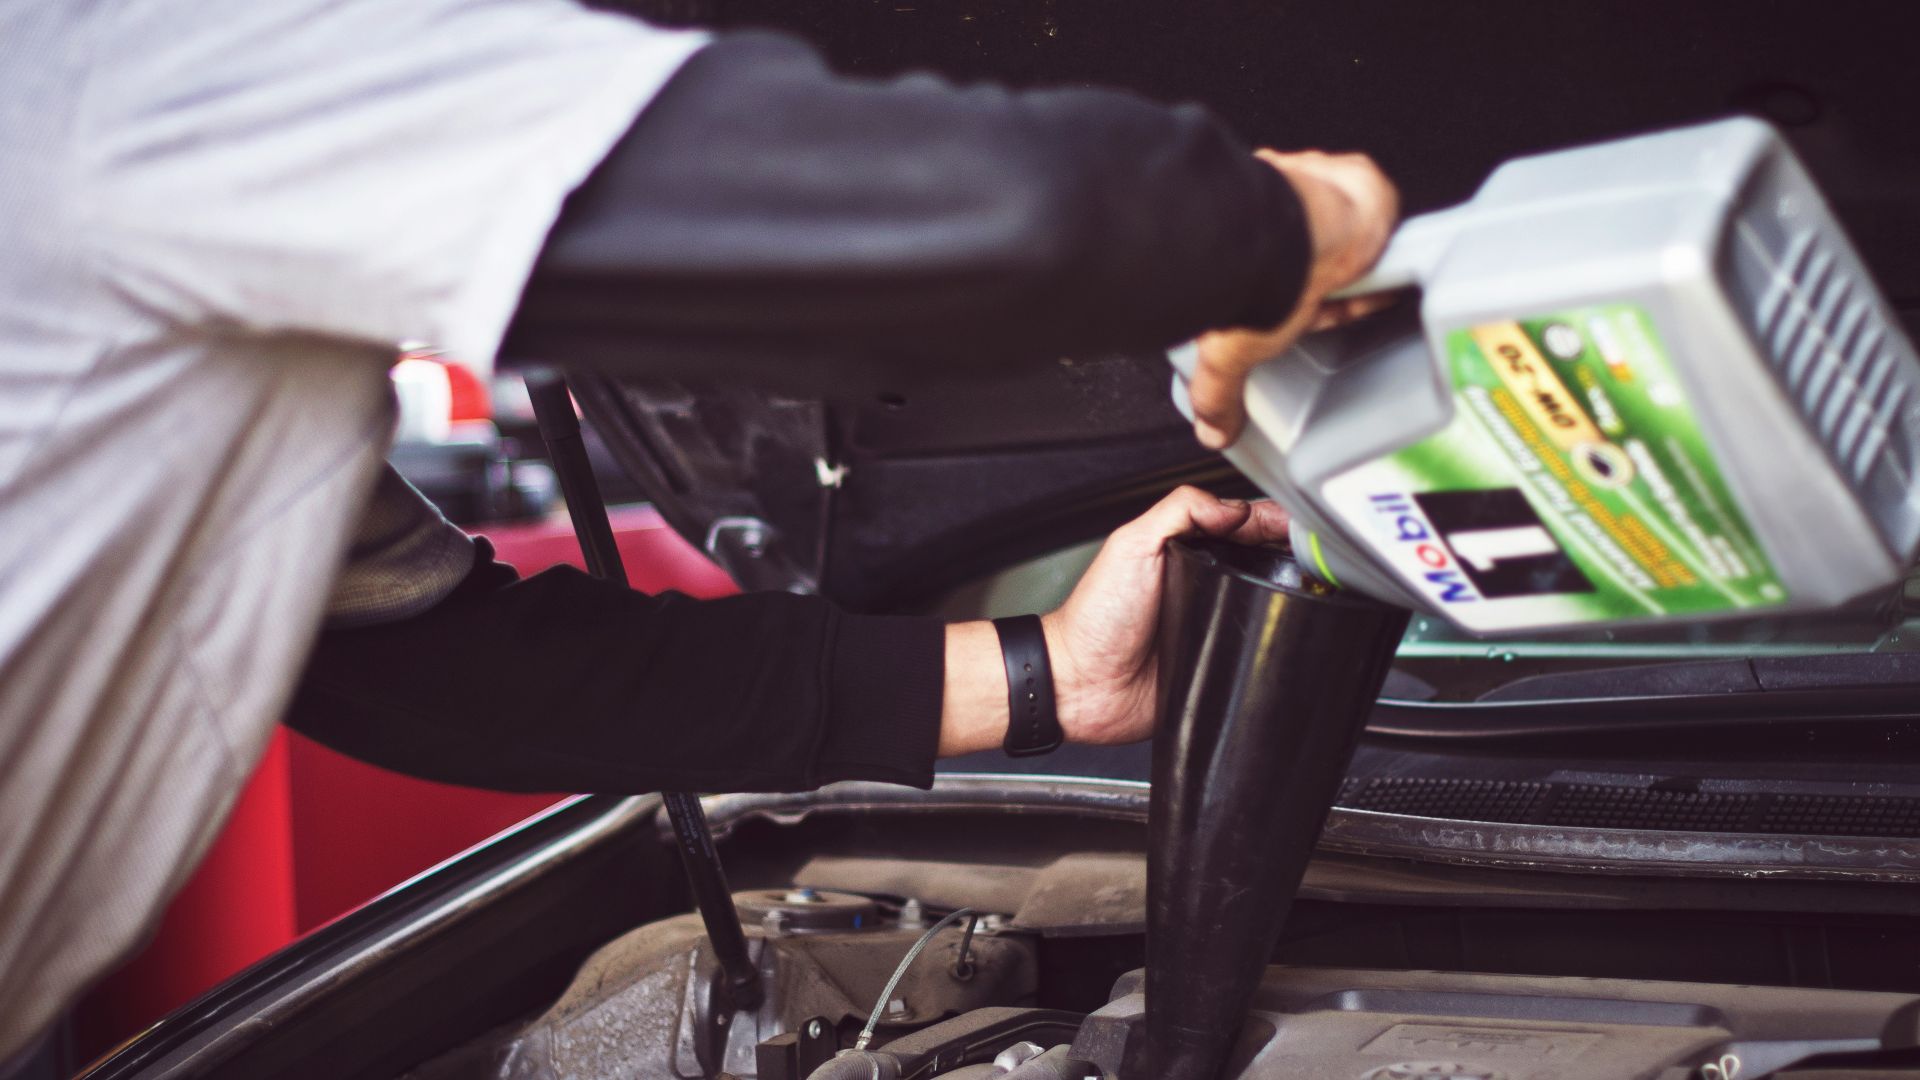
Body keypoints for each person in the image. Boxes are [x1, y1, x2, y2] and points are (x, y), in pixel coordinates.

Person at [0, 0, 1397, 1064]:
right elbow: (974, 211)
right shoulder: (133, 72)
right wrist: (1301, 222)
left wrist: (1048, 677)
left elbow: (426, 665)